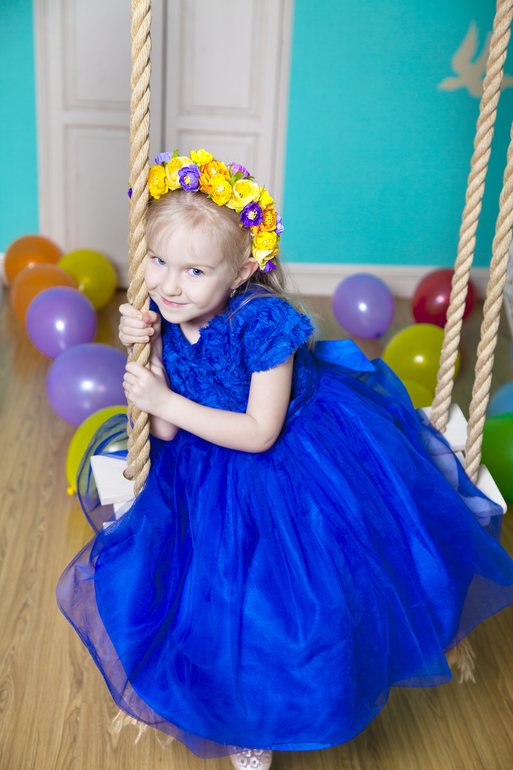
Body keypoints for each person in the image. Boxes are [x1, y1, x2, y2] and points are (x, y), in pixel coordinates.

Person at [57, 149, 513, 769]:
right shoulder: (161, 311)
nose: (168, 284)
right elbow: (162, 430)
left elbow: (259, 433)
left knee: (295, 591)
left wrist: (163, 398)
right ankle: (238, 704)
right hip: (203, 453)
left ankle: (282, 707)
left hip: (289, 453)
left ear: (243, 269)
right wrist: (151, 362)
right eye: (158, 260)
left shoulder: (265, 324)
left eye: (194, 270)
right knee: (210, 588)